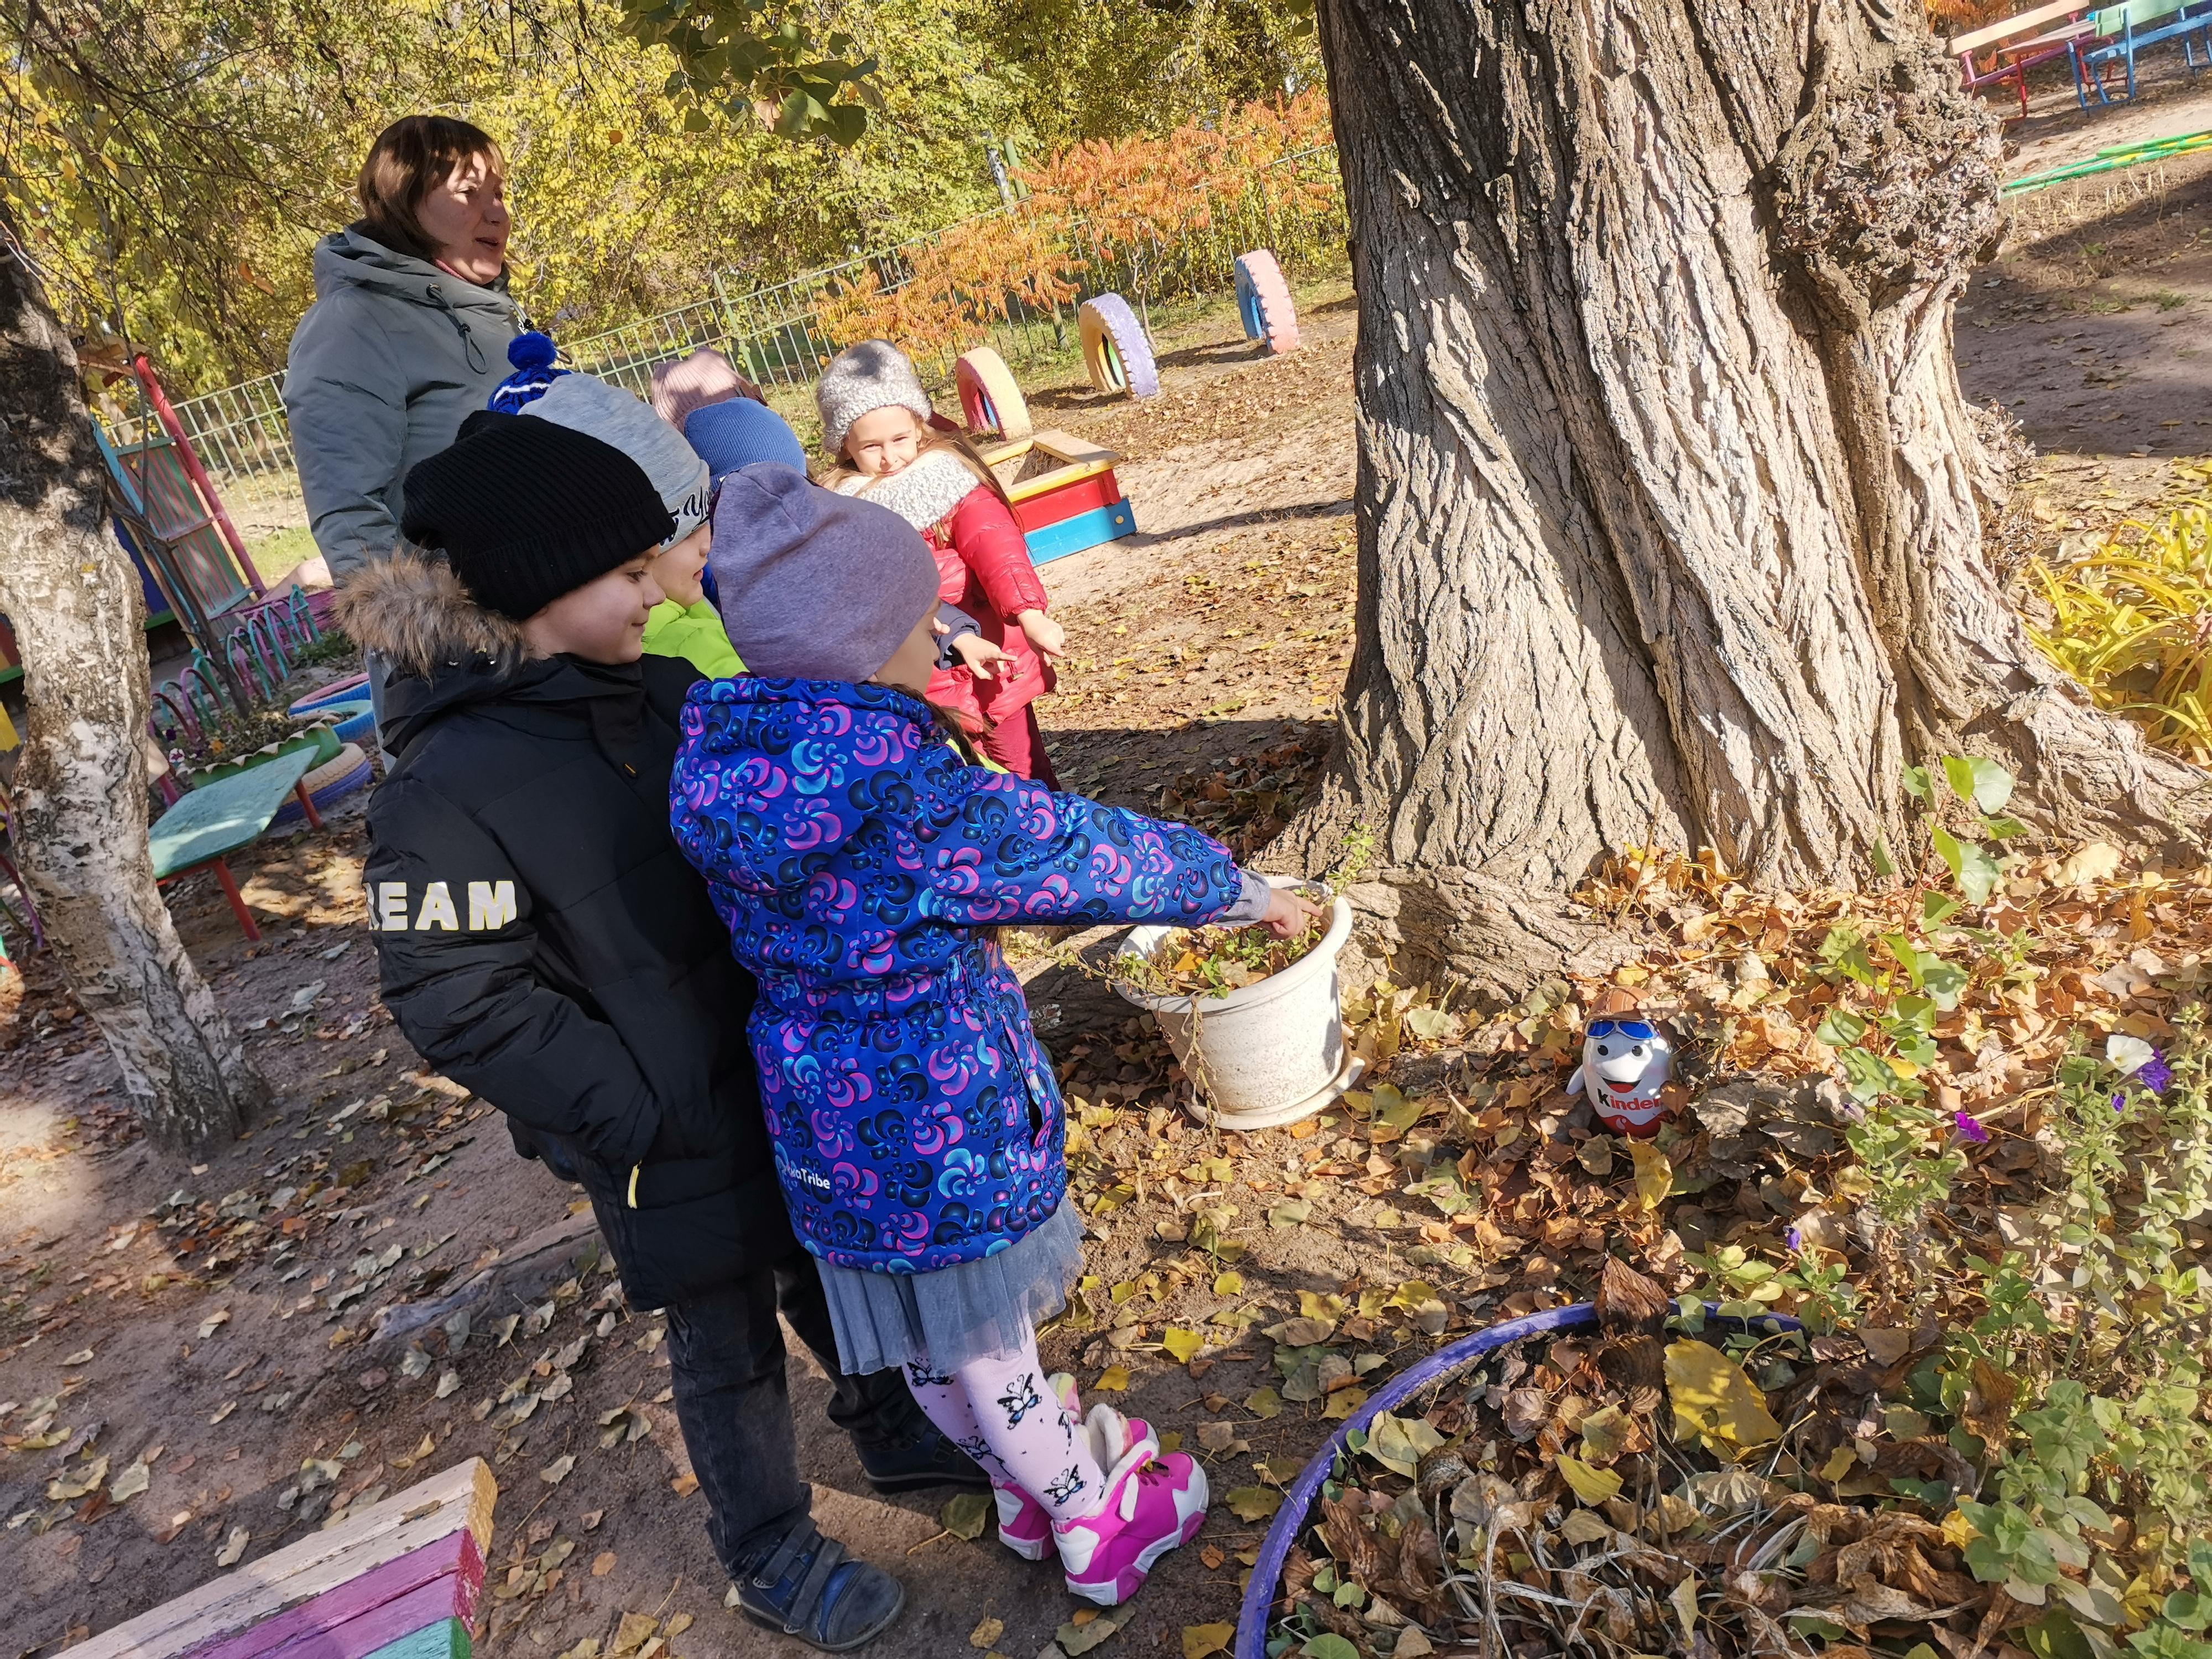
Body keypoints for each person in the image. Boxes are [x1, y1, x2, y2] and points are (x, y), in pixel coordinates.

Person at [340, 415, 980, 1653]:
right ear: (538, 588)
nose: (662, 582)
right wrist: (638, 1114)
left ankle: (887, 1425)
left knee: (825, 1264)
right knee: (724, 1328)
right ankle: (766, 1546)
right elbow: (452, 996)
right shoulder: (440, 792)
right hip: (654, 1123)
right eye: (631, 570)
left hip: (778, 1072)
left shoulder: (672, 694)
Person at [669, 463, 1323, 1607]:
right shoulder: (911, 795)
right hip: (939, 1100)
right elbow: (1078, 851)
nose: (943, 636)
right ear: (868, 647)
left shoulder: (717, 770)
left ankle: (1020, 1493)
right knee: (990, 1346)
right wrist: (1234, 888)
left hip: (825, 1114)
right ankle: (1092, 1518)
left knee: (926, 1345)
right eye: (926, 621)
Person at [815, 341, 1065, 782]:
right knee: (962, 779)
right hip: (927, 678)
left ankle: (1053, 835)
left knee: (1025, 770)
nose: (889, 458)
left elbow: (996, 547)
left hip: (995, 662)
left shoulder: (948, 480)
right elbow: (886, 592)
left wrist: (1029, 613)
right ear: (845, 446)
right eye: (871, 446)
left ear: (918, 427)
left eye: (899, 439)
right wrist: (955, 641)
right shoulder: (847, 507)